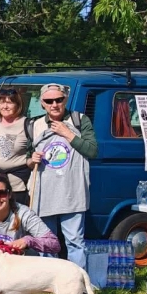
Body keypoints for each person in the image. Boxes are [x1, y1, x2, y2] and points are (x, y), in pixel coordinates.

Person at [27, 82, 97, 272]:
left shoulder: (79, 120)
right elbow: (26, 158)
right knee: (47, 241)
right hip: (44, 193)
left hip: (72, 192)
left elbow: (92, 151)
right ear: (42, 103)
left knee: (75, 242)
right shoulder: (34, 124)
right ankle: (50, 285)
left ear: (65, 99)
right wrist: (31, 159)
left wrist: (68, 134)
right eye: (49, 101)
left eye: (58, 100)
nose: (54, 104)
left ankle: (77, 287)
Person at [0, 87, 31, 205]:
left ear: (17, 104)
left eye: (9, 102)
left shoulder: (28, 125)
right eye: (2, 102)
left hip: (16, 187)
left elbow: (34, 154)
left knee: (15, 221)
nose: (5, 106)